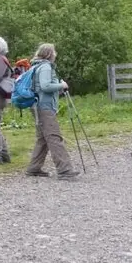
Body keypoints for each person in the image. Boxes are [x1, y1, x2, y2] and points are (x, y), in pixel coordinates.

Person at [24, 43, 78, 179]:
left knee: (43, 139)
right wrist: (61, 85)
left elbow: (41, 87)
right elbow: (45, 86)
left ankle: (34, 168)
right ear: (49, 54)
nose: (55, 54)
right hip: (45, 107)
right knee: (54, 137)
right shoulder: (46, 67)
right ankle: (65, 170)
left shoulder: (36, 66)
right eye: (54, 52)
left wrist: (58, 88)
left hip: (37, 106)